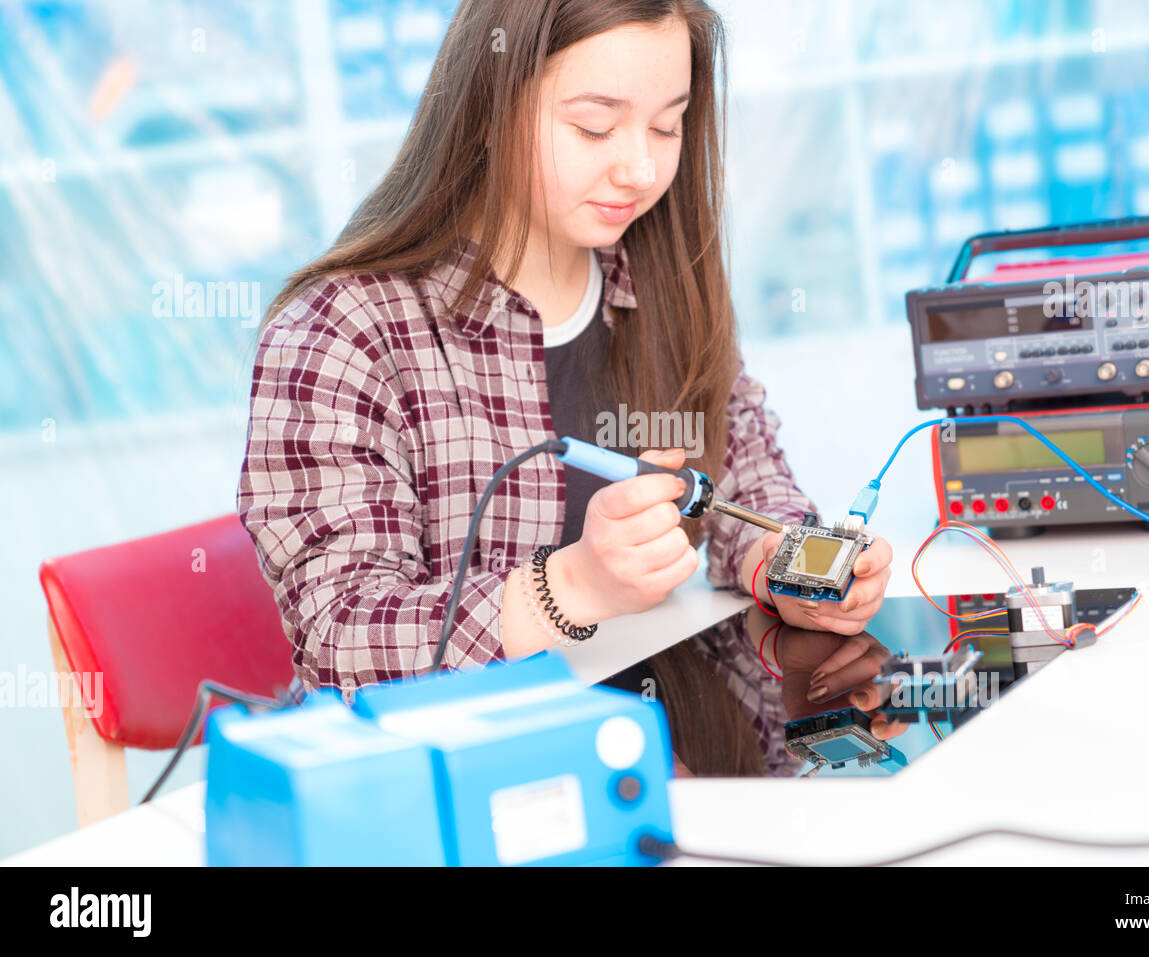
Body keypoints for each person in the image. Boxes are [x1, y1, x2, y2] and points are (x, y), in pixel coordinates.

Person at [237, 0, 896, 773]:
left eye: (667, 124)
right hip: (462, 791)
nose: (640, 169)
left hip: (667, 759)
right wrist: (572, 585)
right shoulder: (344, 329)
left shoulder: (662, 279)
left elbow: (741, 483)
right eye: (594, 127)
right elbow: (343, 637)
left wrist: (789, 568)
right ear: (486, 111)